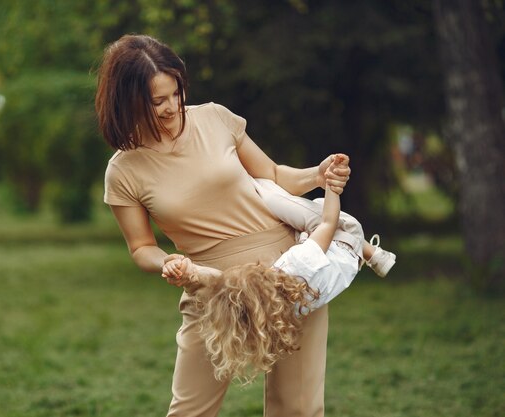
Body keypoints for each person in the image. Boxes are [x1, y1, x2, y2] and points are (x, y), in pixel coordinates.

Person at [96, 33, 351, 417]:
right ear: (128, 101)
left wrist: (318, 174)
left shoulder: (215, 118)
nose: (173, 107)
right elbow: (140, 247)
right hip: (210, 285)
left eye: (176, 93)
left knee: (297, 408)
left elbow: (272, 174)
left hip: (291, 273)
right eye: (157, 101)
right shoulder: (123, 171)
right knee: (189, 411)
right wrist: (166, 261)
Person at [162, 155, 396, 382]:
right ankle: (372, 252)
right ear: (262, 277)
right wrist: (332, 187)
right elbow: (328, 222)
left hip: (343, 266)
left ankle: (371, 254)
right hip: (346, 238)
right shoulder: (293, 269)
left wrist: (188, 271)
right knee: (268, 189)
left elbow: (220, 283)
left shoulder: (273, 312)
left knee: (293, 223)